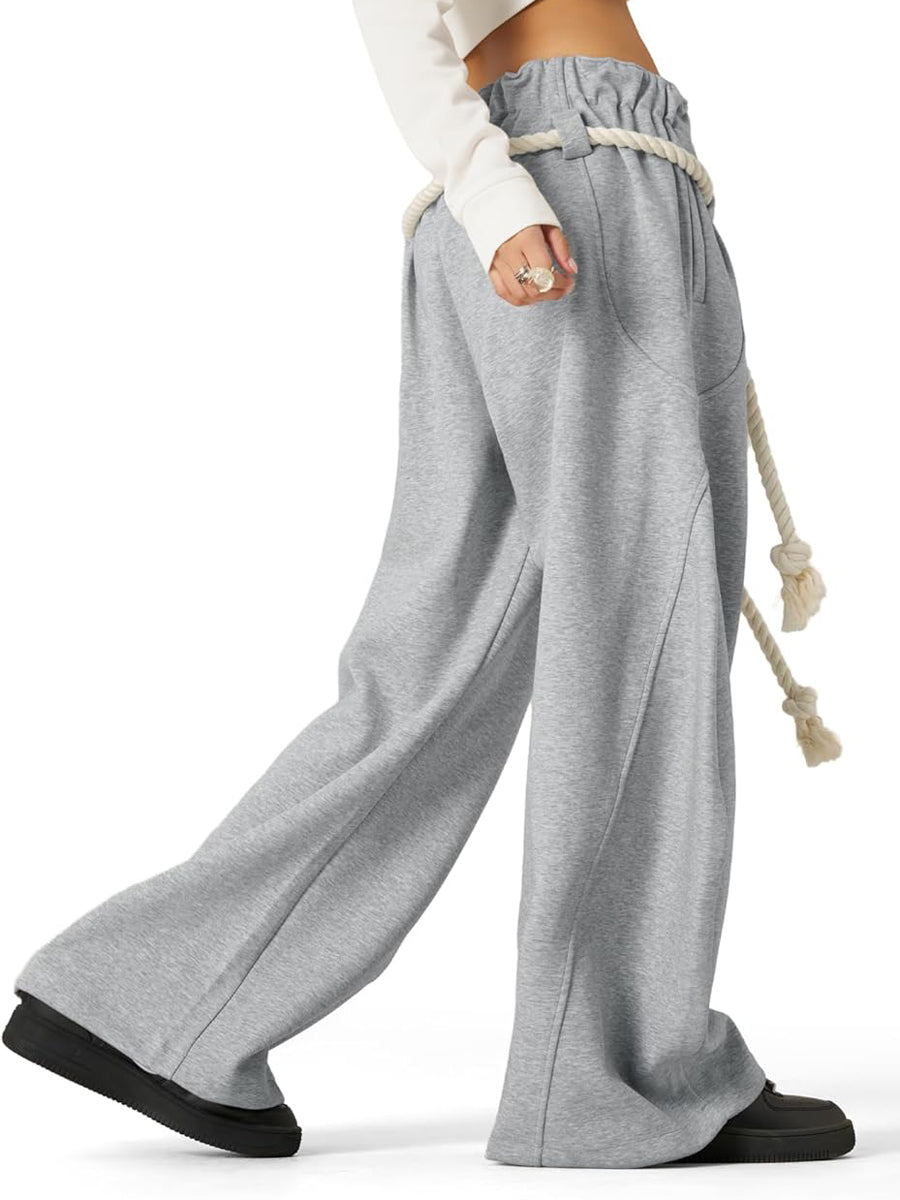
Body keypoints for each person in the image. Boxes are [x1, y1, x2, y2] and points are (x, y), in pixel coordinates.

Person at [3, 0, 853, 1167]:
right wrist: (496, 189)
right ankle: (614, 1079)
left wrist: (488, 186)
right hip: (575, 186)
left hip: (521, 183)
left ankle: (154, 1003)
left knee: (440, 657)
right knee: (638, 646)